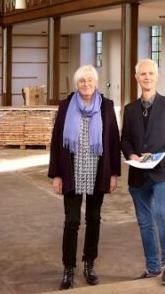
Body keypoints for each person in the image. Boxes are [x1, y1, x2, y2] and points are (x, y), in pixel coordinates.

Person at [48, 65, 121, 290]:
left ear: (96, 82)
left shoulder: (107, 107)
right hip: (72, 171)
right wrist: (57, 175)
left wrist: (113, 173)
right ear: (76, 84)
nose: (86, 84)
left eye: (90, 80)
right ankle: (68, 268)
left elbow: (114, 143)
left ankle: (89, 264)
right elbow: (56, 143)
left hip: (98, 171)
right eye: (82, 81)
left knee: (94, 219)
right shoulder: (65, 106)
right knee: (71, 221)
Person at [121, 58, 165, 286]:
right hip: (138, 174)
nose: (147, 77)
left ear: (157, 76)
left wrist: (161, 157)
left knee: (161, 213)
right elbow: (126, 139)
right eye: (142, 74)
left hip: (163, 172)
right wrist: (130, 155)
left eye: (150, 73)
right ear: (136, 77)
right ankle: (152, 266)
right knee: (144, 221)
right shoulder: (130, 110)